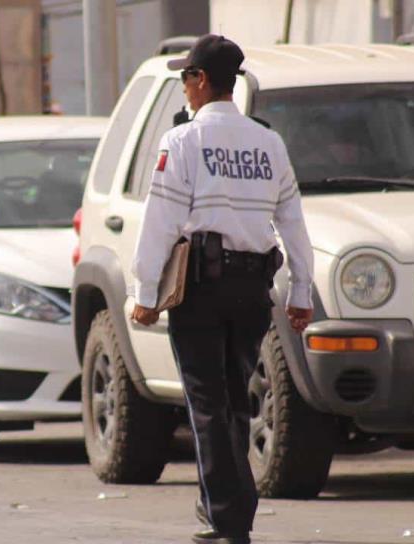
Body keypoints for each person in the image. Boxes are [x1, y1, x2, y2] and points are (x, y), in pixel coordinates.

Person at [130, 35, 314, 544]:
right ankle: (223, 505)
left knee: (207, 404)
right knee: (233, 401)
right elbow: (292, 221)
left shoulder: (183, 141)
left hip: (201, 292)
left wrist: (144, 294)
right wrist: (301, 290)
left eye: (184, 78)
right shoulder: (268, 142)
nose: (183, 89)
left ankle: (229, 519)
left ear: (202, 80)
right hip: (252, 289)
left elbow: (160, 222)